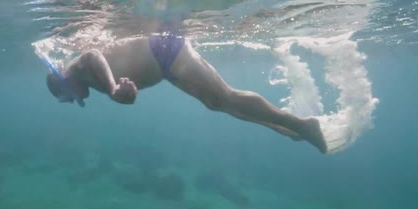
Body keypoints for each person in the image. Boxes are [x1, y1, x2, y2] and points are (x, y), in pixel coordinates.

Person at [42, 25, 328, 153]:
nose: (75, 100)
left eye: (67, 96)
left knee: (225, 96)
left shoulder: (78, 67)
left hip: (165, 49)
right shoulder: (88, 81)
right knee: (215, 104)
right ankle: (285, 128)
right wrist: (115, 90)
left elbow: (93, 54)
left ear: (63, 81)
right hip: (166, 68)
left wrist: (115, 89)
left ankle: (302, 124)